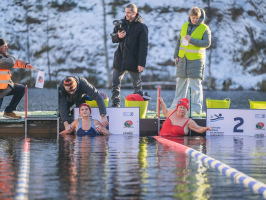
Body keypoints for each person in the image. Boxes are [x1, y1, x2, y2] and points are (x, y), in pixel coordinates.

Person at [170, 7, 211, 114]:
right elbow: (179, 42)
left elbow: (207, 43)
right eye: (193, 18)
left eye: (197, 18)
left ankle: (196, 110)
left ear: (200, 17)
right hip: (182, 60)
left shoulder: (204, 28)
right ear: (190, 16)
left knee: (195, 86)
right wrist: (176, 56)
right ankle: (176, 108)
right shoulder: (184, 26)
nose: (195, 20)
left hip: (196, 61)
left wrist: (191, 40)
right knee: (180, 85)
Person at [110, 3, 148, 107]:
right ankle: (115, 105)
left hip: (134, 60)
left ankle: (138, 106)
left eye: (128, 13)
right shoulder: (121, 23)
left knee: (137, 86)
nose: (126, 14)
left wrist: (141, 63)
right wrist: (118, 36)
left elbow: (143, 47)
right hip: (120, 58)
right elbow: (113, 39)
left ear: (134, 13)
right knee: (115, 84)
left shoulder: (142, 27)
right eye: (125, 12)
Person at [0, 38, 35, 119]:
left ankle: (8, 112)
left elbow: (14, 62)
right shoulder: (4, 59)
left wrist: (25, 65)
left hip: (4, 88)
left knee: (21, 89)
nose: (7, 47)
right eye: (4, 46)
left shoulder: (3, 57)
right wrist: (9, 55)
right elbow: (10, 62)